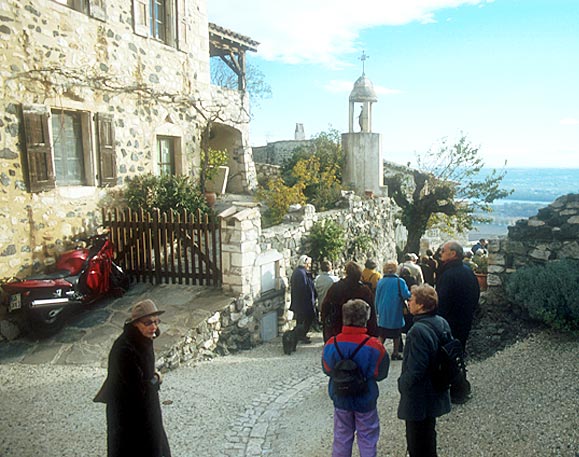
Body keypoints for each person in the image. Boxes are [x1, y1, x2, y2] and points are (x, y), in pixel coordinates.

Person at [94, 299, 171, 457]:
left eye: (156, 322)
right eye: (148, 322)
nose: (154, 327)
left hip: (145, 407)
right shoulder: (124, 348)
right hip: (128, 414)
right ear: (136, 323)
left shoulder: (142, 339)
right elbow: (138, 388)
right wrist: (156, 378)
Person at [322, 299, 390, 457]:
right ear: (365, 319)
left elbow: (327, 369)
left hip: (341, 397)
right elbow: (381, 374)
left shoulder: (332, 344)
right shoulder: (375, 346)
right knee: (367, 438)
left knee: (341, 437)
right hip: (365, 398)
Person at [397, 285, 452, 457]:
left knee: (416, 441)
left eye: (411, 299)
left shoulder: (417, 331)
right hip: (436, 388)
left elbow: (416, 368)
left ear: (421, 305)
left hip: (420, 395)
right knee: (429, 434)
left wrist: (402, 385)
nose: (408, 302)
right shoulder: (441, 322)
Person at [436, 240, 480, 403]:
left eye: (443, 251)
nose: (440, 253)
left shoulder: (448, 274)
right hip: (464, 320)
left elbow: (442, 301)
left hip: (449, 322)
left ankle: (458, 389)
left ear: (453, 253)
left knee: (447, 355)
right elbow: (476, 294)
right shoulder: (468, 271)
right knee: (458, 352)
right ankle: (459, 386)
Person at [321, 261, 378, 342]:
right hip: (361, 327)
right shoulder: (364, 290)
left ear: (346, 272)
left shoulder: (336, 287)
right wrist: (373, 332)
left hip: (339, 326)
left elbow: (326, 306)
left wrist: (325, 322)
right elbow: (371, 312)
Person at [374, 260, 411, 360]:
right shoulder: (400, 282)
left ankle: (376, 352)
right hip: (396, 310)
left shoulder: (380, 282)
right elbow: (406, 295)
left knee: (382, 334)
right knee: (396, 334)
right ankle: (395, 353)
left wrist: (377, 310)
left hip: (383, 311)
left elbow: (376, 297)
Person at [289, 254, 317, 343]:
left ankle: (300, 335)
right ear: (305, 263)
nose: (310, 265)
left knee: (301, 320)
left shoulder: (299, 272)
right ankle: (300, 335)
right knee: (304, 320)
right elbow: (303, 289)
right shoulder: (301, 273)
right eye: (309, 263)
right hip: (303, 303)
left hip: (301, 303)